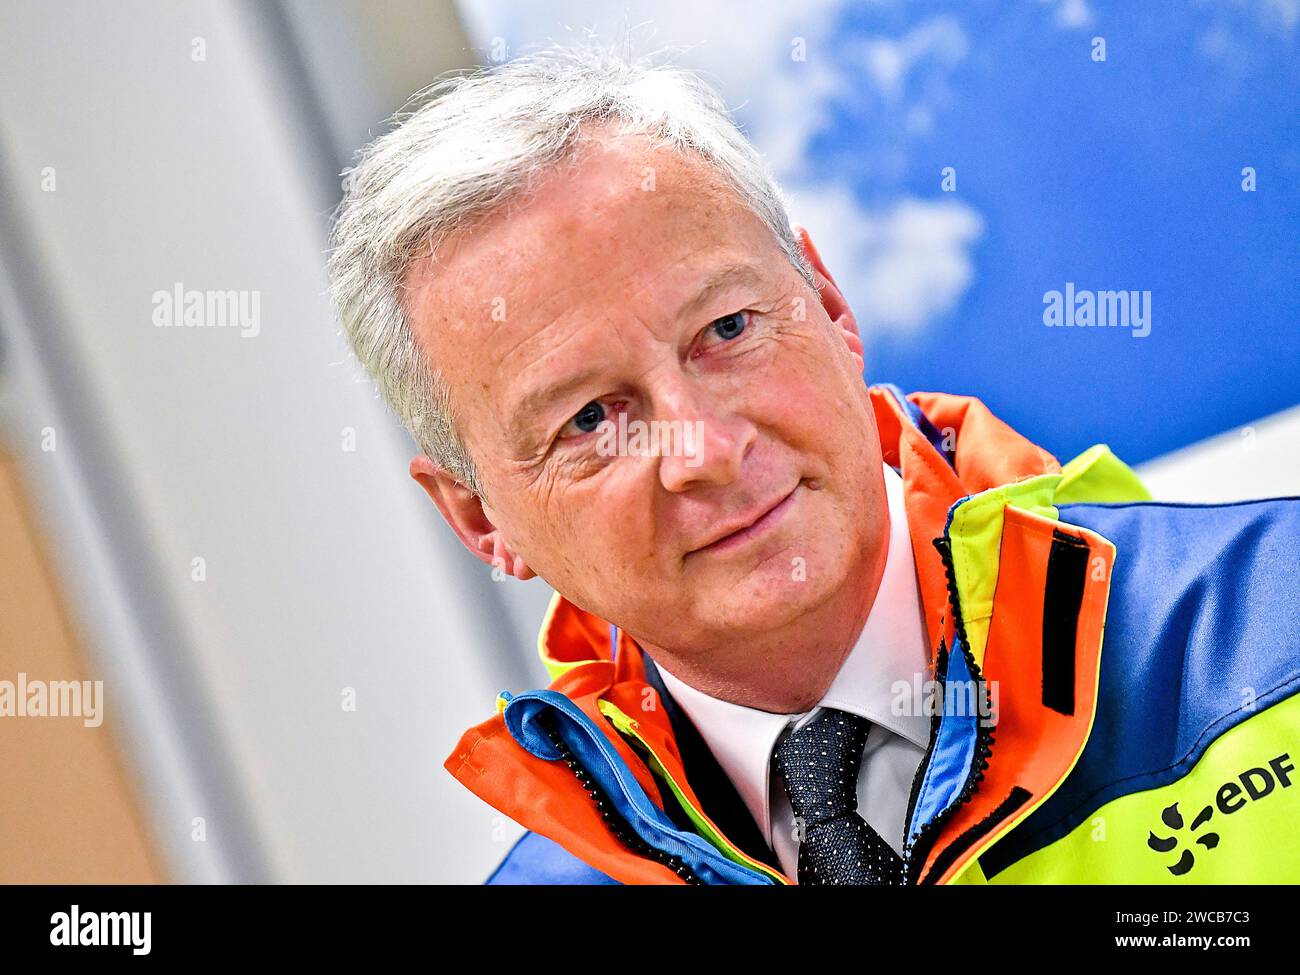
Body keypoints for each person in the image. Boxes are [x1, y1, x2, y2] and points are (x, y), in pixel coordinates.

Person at [328, 46, 1300, 884]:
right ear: (479, 521)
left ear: (830, 305)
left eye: (727, 328)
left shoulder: (1272, 634)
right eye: (589, 420)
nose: (701, 449)